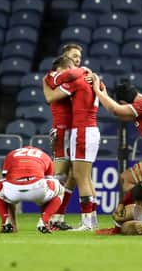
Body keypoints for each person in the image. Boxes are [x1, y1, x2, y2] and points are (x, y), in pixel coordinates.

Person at [43, 56, 101, 230]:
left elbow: (52, 95)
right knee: (86, 178)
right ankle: (92, 219)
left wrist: (49, 79)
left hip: (82, 131)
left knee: (80, 177)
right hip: (92, 129)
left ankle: (86, 222)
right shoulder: (94, 81)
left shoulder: (77, 81)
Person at [41, 43, 85, 230]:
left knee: (74, 175)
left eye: (79, 58)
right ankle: (48, 217)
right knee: (59, 175)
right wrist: (82, 71)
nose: (77, 60)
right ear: (64, 58)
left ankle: (58, 215)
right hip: (62, 129)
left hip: (73, 130)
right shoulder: (54, 76)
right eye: (74, 56)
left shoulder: (74, 78)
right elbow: (50, 97)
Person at [94, 79, 142, 191]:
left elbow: (115, 110)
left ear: (123, 103)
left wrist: (97, 91)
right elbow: (120, 114)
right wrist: (104, 92)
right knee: (126, 179)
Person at [0, 146, 64, 233]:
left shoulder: (11, 154)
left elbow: (5, 177)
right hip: (37, 188)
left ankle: (6, 220)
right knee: (60, 190)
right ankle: (44, 220)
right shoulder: (45, 155)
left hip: (13, 189)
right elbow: (48, 181)